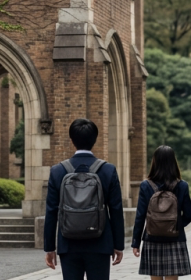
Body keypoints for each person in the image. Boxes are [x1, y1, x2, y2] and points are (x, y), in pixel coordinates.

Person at [44, 118, 125, 280]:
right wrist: (118, 245)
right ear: (95, 139)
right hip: (100, 243)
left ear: (71, 140)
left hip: (68, 244)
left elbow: (51, 211)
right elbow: (115, 209)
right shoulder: (108, 170)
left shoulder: (58, 171)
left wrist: (49, 248)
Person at [131, 145, 191, 279]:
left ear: (155, 162)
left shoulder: (146, 186)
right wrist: (175, 226)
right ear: (173, 162)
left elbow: (140, 216)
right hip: (175, 239)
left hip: (152, 238)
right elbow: (189, 215)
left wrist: (136, 243)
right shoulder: (182, 185)